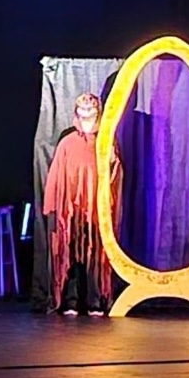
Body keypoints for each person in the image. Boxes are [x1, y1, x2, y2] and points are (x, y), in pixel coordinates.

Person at [41, 92, 124, 316]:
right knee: (71, 254)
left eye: (91, 108)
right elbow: (56, 174)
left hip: (97, 209)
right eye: (82, 108)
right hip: (71, 210)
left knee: (96, 255)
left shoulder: (105, 141)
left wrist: (114, 162)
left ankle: (95, 301)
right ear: (76, 111)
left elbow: (115, 173)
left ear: (98, 112)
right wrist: (52, 204)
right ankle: (71, 301)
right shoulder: (67, 142)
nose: (87, 112)